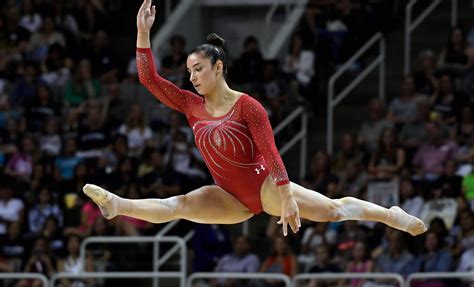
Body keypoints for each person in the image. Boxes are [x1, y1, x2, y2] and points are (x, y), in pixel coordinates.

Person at [82, 0, 426, 238]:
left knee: (333, 211)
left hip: (266, 188)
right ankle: (117, 205)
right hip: (228, 197)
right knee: (180, 205)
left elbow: (270, 151)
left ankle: (390, 214)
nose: (192, 77)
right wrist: (143, 35)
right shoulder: (190, 105)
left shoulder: (248, 106)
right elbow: (148, 79)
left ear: (218, 68)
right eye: (189, 71)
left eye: (198, 69)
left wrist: (288, 197)